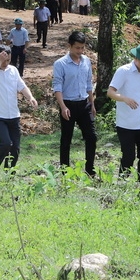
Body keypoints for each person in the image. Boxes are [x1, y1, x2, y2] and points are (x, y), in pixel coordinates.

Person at [0, 44, 38, 169]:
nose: (6, 63)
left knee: (15, 147)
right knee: (6, 143)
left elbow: (22, 86)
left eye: (8, 60)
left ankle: (10, 173)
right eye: (3, 60)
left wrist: (30, 97)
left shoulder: (13, 70)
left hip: (13, 114)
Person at [108, 44, 140, 182]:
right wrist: (124, 98)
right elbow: (110, 92)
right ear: (137, 59)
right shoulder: (124, 71)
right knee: (128, 157)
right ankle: (122, 184)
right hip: (126, 124)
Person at [53, 31, 97, 177]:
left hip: (84, 103)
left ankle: (90, 170)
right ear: (69, 46)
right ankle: (64, 171)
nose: (80, 51)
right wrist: (63, 107)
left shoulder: (86, 61)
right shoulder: (60, 64)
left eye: (82, 48)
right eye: (77, 48)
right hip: (68, 105)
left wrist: (92, 103)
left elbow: (88, 83)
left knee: (91, 137)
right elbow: (57, 87)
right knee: (66, 139)